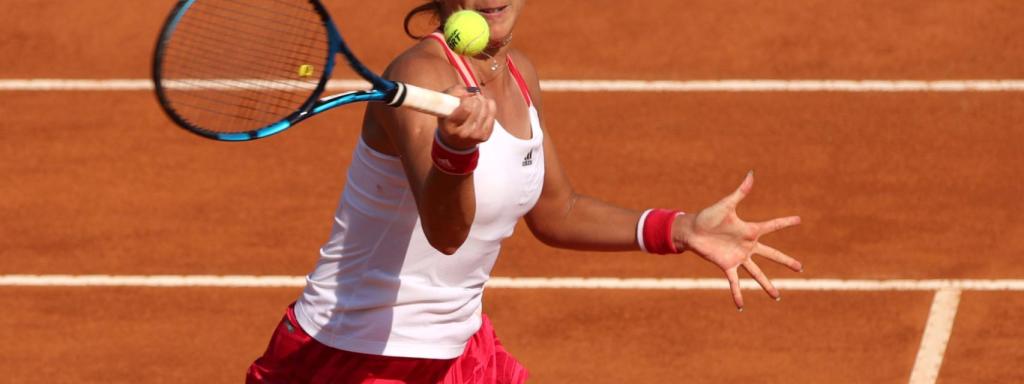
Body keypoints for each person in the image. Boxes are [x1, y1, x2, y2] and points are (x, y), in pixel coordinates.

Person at [246, 1, 803, 382]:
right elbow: (446, 234)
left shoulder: (519, 75)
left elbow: (557, 210)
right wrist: (456, 152)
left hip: (459, 354)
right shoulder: (419, 77)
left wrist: (678, 229)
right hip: (357, 359)